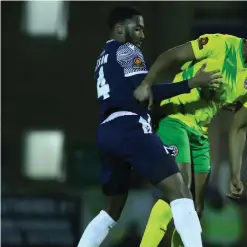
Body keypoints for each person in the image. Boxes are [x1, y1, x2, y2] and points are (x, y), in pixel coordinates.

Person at [77, 6, 222, 247]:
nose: (142, 35)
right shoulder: (127, 50)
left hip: (106, 132)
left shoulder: (102, 57)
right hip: (131, 128)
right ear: (120, 28)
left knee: (112, 211)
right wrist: (191, 83)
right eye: (138, 28)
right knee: (181, 192)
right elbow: (144, 92)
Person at [137, 19, 247, 247]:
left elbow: (239, 127)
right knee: (180, 193)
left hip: (199, 132)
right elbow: (172, 55)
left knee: (196, 209)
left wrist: (236, 173)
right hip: (174, 119)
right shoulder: (219, 45)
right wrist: (147, 84)